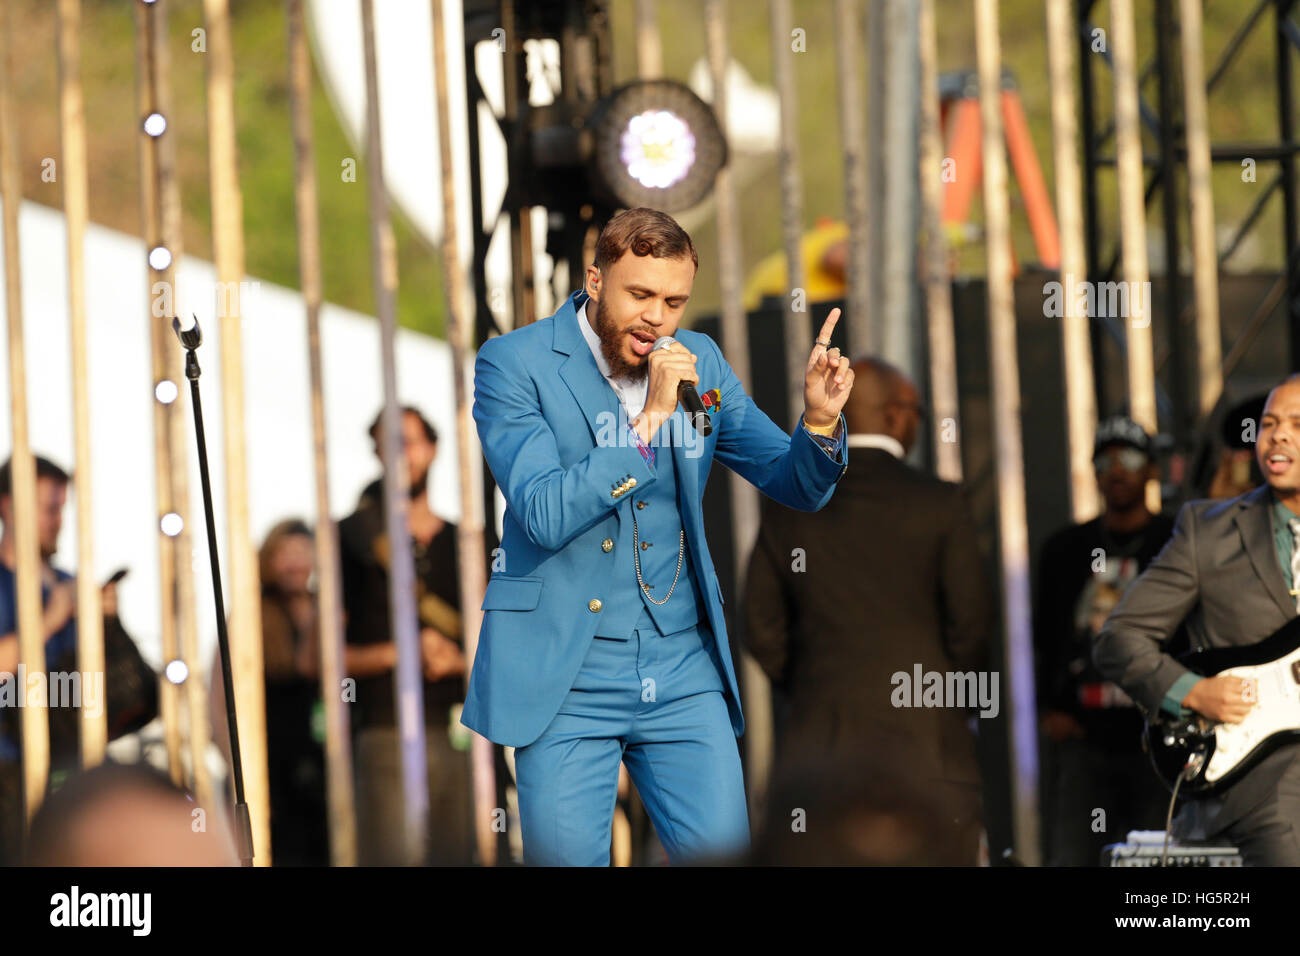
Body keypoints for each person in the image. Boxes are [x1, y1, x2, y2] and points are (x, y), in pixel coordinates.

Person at [467, 206, 852, 866]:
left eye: (673, 301)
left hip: (679, 664)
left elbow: (792, 482)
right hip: (567, 673)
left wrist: (817, 423)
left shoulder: (697, 358)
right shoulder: (515, 363)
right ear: (594, 279)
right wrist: (647, 422)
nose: (656, 317)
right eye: (639, 294)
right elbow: (543, 512)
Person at [744, 356, 992, 865]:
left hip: (820, 752)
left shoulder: (791, 505)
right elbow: (971, 623)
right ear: (899, 414)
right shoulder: (941, 503)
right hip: (930, 746)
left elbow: (759, 623)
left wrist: (813, 681)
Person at [1095, 374, 1300, 865]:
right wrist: (1190, 690)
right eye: (1270, 423)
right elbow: (1119, 639)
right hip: (1261, 784)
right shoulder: (1206, 532)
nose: (1279, 435)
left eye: (1297, 424)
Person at [339, 407, 477, 865]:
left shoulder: (468, 544)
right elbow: (318, 657)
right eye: (390, 442)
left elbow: (509, 644)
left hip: (463, 729)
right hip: (383, 729)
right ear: (376, 452)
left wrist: (460, 661)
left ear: (433, 450)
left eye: (411, 441)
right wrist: (404, 652)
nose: (403, 454)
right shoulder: (349, 539)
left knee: (460, 856)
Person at [1034, 416, 1172, 865]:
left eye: (1129, 458)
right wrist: (1051, 707)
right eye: (1104, 459)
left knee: (1156, 861)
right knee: (1072, 854)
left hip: (1158, 741)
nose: (1116, 470)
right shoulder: (1066, 549)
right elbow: (1045, 636)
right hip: (1083, 739)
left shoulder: (1175, 541)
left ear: (1151, 469)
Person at [0, 455, 122, 865]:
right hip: (6, 770)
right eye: (49, 508)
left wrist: (106, 624)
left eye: (62, 509)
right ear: (8, 507)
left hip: (70, 769)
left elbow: (99, 689)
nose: (59, 521)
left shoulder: (72, 585)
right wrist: (52, 618)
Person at [212, 519, 328, 865]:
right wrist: (241, 772)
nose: (295, 563)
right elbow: (218, 701)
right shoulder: (250, 615)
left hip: (324, 769)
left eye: (303, 553)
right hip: (270, 769)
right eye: (285, 553)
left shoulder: (327, 608)